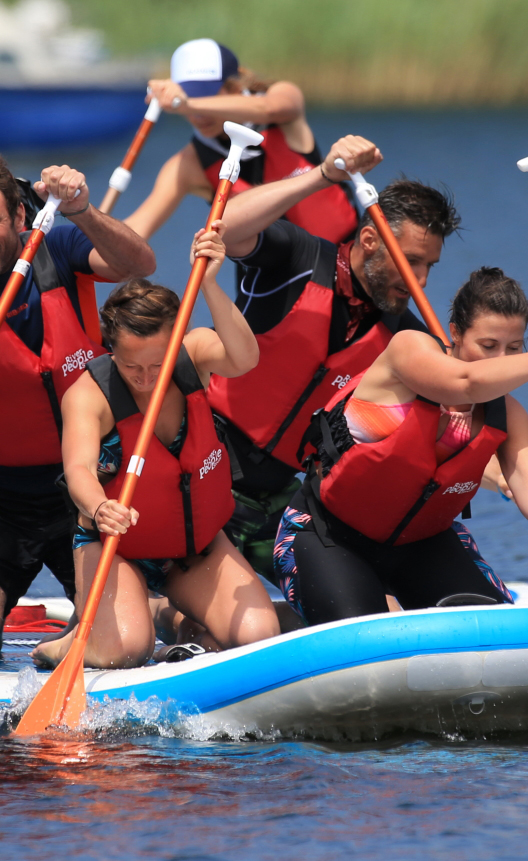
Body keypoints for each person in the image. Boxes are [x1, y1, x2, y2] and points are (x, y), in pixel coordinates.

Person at [0, 149, 156, 661]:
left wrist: (81, 208)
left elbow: (138, 263)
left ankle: (160, 610)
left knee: (132, 636)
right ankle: (7, 612)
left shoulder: (59, 246)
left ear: (19, 213)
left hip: (89, 487)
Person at [274, 268, 528, 624]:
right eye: (488, 346)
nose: (500, 361)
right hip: (327, 536)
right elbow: (465, 383)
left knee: (494, 636)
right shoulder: (409, 348)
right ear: (456, 333)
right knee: (362, 642)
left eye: (513, 348)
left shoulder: (507, 414)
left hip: (422, 543)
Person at [207, 134, 460, 581]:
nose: (419, 279)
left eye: (429, 267)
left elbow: (457, 405)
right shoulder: (296, 258)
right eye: (411, 260)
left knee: (356, 606)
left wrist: (500, 476)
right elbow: (222, 224)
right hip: (205, 471)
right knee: (245, 626)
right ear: (369, 239)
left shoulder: (404, 335)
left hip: (282, 496)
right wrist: (325, 174)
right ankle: (173, 611)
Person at [35, 224, 279, 670]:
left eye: (156, 365)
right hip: (116, 546)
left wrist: (208, 283)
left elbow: (247, 357)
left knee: (258, 636)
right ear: (112, 350)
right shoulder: (89, 395)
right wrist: (99, 507)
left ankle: (164, 614)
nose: (147, 379)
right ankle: (69, 643)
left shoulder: (194, 354)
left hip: (190, 547)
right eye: (132, 366)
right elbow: (79, 470)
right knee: (126, 651)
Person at [124, 37, 357, 244]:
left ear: (235, 87)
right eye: (188, 97)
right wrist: (89, 222)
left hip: (344, 262)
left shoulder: (282, 100)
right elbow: (137, 230)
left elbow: (270, 108)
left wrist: (187, 104)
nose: (197, 115)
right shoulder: (188, 163)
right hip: (274, 287)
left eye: (206, 96)